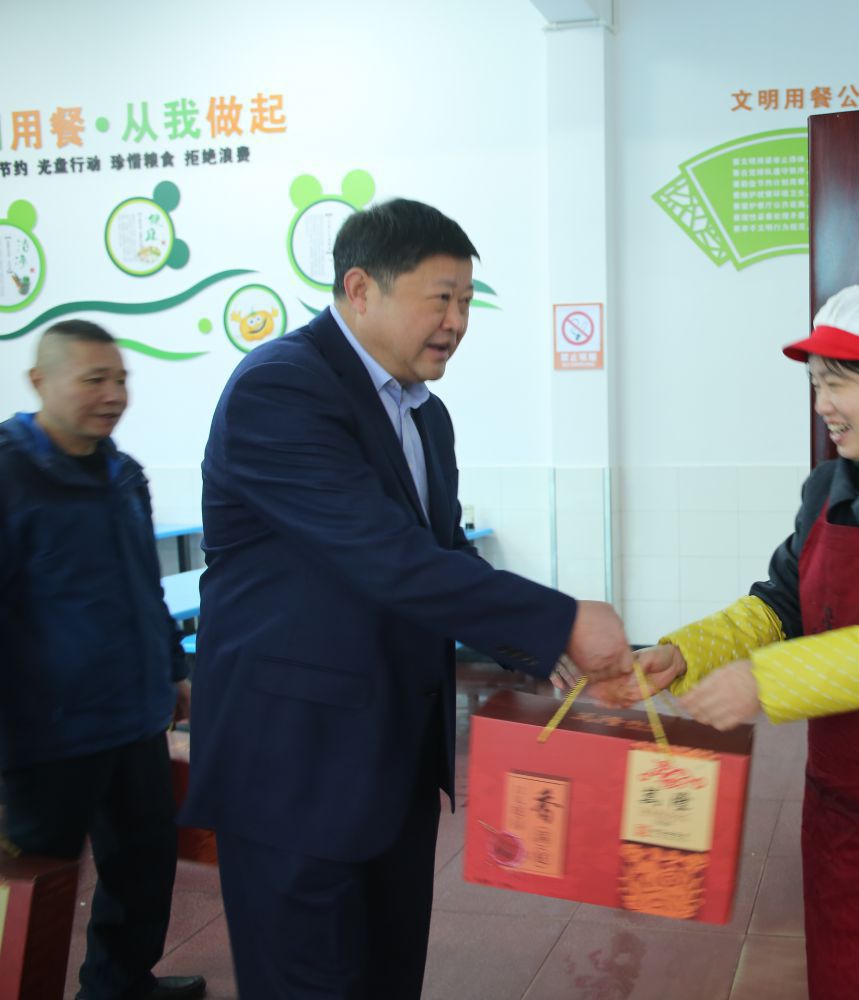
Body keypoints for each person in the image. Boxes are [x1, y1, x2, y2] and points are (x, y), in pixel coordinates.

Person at [180, 198, 632, 998]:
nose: (457, 322)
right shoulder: (280, 389)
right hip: (294, 765)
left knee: (388, 976)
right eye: (440, 298)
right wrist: (561, 621)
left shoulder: (425, 415)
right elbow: (385, 556)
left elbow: (441, 551)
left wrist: (545, 647)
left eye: (467, 301)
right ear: (361, 289)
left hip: (392, 758)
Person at [595, 285, 859, 998]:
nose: (822, 402)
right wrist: (686, 652)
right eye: (815, 383)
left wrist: (764, 682)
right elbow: (780, 603)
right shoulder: (826, 488)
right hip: (843, 810)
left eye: (838, 382)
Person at [0, 320, 207, 1000]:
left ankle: (120, 986)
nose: (114, 394)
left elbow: (146, 585)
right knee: (37, 888)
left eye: (120, 379)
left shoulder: (124, 474)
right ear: (39, 381)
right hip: (44, 735)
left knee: (143, 867)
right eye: (94, 379)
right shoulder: (10, 474)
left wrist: (172, 670)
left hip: (132, 719)